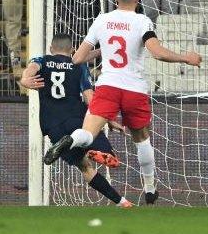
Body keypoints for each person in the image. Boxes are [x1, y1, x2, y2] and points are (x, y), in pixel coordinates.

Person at [45, 0, 202, 204]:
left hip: (108, 86)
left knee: (88, 134)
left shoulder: (102, 20)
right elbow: (156, 52)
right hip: (134, 89)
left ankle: (69, 140)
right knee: (141, 138)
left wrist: (104, 49)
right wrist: (186, 57)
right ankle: (149, 190)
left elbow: (77, 58)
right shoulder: (142, 21)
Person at [20, 33, 133, 207]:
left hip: (52, 125)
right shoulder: (78, 66)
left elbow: (32, 67)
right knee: (108, 155)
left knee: (85, 167)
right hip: (77, 120)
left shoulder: (42, 60)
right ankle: (95, 150)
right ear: (73, 50)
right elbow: (89, 97)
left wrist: (25, 79)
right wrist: (108, 119)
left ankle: (121, 202)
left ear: (51, 49)